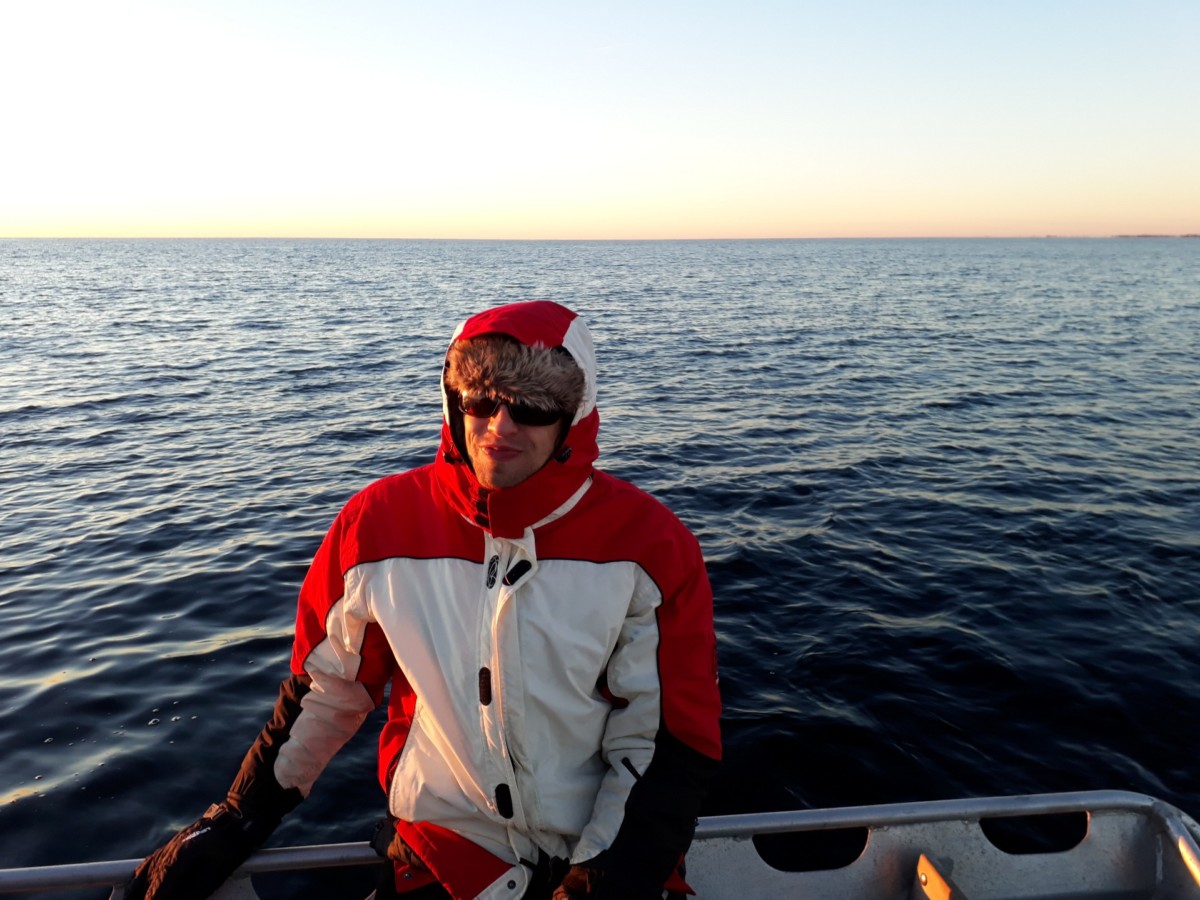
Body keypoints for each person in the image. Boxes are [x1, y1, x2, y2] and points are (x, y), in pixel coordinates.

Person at [126, 300, 722, 900]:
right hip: (444, 859)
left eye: (533, 405)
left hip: (607, 857)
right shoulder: (375, 525)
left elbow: (668, 737)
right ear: (453, 401)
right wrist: (237, 818)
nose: (500, 426)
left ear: (574, 415)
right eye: (481, 400)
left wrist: (603, 877)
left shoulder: (650, 545)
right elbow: (329, 690)